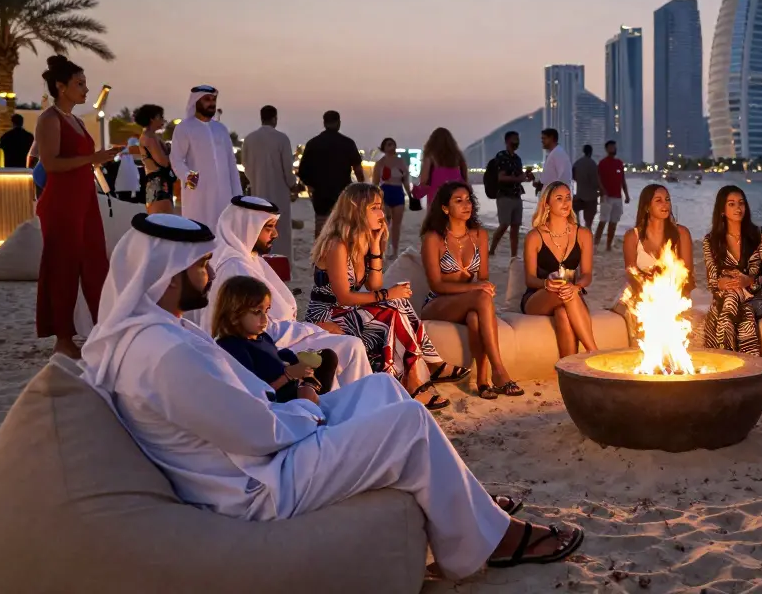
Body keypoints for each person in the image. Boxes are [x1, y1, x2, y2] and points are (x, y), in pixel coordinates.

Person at [80, 213, 584, 579]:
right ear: (169, 274)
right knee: (407, 425)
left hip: (259, 448)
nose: (210, 276)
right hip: (257, 485)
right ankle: (494, 540)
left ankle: (468, 504)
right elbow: (259, 434)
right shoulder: (164, 354)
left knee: (384, 387)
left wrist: (298, 401)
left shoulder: (152, 333)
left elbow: (243, 405)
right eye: (201, 266)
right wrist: (307, 403)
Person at [195, 195, 374, 386]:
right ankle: (354, 410)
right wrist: (315, 328)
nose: (275, 234)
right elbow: (258, 326)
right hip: (257, 348)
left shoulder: (249, 259)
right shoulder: (235, 267)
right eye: (268, 227)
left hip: (277, 338)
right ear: (246, 228)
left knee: (348, 342)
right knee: (351, 347)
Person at [305, 183, 451, 410]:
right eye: (374, 207)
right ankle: (420, 373)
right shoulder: (337, 245)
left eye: (380, 207)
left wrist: (375, 245)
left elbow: (374, 284)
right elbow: (344, 297)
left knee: (397, 302)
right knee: (391, 309)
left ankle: (413, 376)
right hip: (326, 313)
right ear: (357, 210)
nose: (382, 214)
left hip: (347, 312)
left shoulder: (360, 244)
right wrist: (387, 294)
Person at [34, 55, 124, 357]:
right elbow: (51, 164)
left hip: (83, 199)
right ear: (61, 87)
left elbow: (80, 160)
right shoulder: (49, 119)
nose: (86, 89)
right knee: (63, 267)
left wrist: (100, 157)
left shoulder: (75, 120)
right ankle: (62, 338)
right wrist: (93, 158)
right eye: (80, 84)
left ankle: (103, 327)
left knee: (96, 262)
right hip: (61, 202)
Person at [420, 181, 523, 398]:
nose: (466, 205)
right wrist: (477, 287)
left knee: (477, 315)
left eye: (468, 200)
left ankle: (483, 381)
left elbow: (483, 277)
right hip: (438, 303)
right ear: (445, 208)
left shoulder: (479, 236)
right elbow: (436, 285)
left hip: (471, 301)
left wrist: (484, 286)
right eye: (459, 201)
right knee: (481, 297)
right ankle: (499, 371)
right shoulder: (433, 238)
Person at [213, 274, 339, 402]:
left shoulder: (262, 337)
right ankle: (311, 400)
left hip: (292, 385)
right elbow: (256, 394)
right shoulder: (233, 347)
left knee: (327, 357)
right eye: (257, 312)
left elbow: (274, 356)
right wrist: (289, 375)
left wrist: (296, 361)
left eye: (266, 311)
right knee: (308, 391)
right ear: (234, 316)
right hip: (278, 402)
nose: (264, 319)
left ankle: (311, 392)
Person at [522, 181, 598, 356]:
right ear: (547, 204)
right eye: (559, 198)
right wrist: (546, 284)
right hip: (538, 298)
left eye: (568, 198)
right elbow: (530, 279)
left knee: (563, 313)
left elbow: (586, 275)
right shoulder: (535, 236)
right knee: (563, 292)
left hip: (571, 294)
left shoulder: (583, 234)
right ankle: (593, 352)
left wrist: (577, 287)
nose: (566, 202)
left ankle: (569, 369)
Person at [616, 183, 696, 341]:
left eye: (667, 199)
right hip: (640, 290)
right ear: (647, 207)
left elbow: (687, 273)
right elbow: (631, 274)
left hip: (674, 290)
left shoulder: (681, 233)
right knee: (643, 311)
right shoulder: (632, 237)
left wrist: (667, 286)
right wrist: (650, 286)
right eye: (658, 200)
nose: (665, 204)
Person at [702, 186, 762, 356]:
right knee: (741, 308)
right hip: (728, 297)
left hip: (758, 298)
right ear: (722, 209)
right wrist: (720, 283)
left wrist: (749, 281)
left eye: (741, 203)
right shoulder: (711, 241)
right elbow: (712, 281)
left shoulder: (760, 234)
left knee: (732, 303)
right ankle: (750, 367)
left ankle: (724, 359)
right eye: (732, 204)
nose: (738, 208)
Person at [169, 85, 242, 236]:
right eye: (207, 99)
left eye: (214, 99)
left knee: (224, 236)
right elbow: (176, 158)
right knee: (199, 236)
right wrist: (188, 176)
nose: (212, 103)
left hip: (224, 196)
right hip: (199, 195)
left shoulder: (220, 129)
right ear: (196, 102)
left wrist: (238, 196)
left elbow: (231, 164)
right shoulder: (185, 128)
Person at [242, 105, 300, 260]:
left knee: (260, 231)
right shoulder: (282, 139)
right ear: (275, 118)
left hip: (258, 194)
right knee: (280, 233)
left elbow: (246, 166)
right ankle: (281, 265)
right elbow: (287, 169)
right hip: (279, 195)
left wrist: (256, 179)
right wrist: (292, 186)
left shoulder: (249, 139)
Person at [297, 110, 365, 239]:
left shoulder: (313, 143)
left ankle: (320, 255)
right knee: (342, 227)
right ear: (339, 123)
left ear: (324, 123)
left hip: (320, 193)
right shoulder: (347, 143)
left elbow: (303, 171)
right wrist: (361, 188)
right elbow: (358, 169)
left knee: (322, 227)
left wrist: (311, 186)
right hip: (343, 191)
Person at [488, 130, 534, 257]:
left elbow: (519, 177)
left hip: (516, 195)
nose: (517, 142)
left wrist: (527, 176)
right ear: (507, 141)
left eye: (518, 139)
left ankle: (514, 256)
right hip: (504, 195)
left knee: (515, 227)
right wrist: (518, 179)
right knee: (504, 224)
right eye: (514, 139)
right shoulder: (501, 156)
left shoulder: (517, 159)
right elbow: (501, 177)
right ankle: (491, 250)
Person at [371, 137, 409, 259]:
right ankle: (382, 249)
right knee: (384, 223)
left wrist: (410, 194)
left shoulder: (401, 162)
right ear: (384, 148)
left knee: (397, 225)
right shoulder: (380, 163)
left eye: (393, 144)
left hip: (398, 192)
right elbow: (375, 183)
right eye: (388, 144)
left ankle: (395, 250)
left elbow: (406, 180)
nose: (391, 146)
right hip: (385, 192)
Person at [135, 104, 176, 214]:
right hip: (158, 183)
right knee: (165, 221)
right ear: (152, 118)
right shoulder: (149, 138)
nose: (163, 119)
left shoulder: (152, 136)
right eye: (160, 116)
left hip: (158, 183)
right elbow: (163, 161)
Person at [412, 127, 468, 207]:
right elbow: (464, 177)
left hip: (436, 197)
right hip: (456, 197)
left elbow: (424, 180)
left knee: (437, 218)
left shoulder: (431, 157)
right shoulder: (458, 156)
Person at [596, 140, 630, 251]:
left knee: (614, 222)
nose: (613, 149)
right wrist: (602, 191)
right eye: (611, 147)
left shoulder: (619, 163)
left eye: (614, 147)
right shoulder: (602, 163)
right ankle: (595, 244)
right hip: (606, 197)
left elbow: (622, 180)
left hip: (618, 197)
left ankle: (608, 245)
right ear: (607, 149)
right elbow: (598, 179)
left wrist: (626, 195)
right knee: (603, 221)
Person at [572, 144, 601, 230]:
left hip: (579, 195)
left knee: (574, 211)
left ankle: (578, 229)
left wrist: (579, 181)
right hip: (591, 197)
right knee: (588, 223)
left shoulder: (578, 162)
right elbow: (596, 182)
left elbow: (573, 175)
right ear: (591, 152)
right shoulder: (592, 164)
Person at [538, 128, 571, 193]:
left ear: (551, 138)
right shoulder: (553, 153)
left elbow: (564, 177)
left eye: (544, 138)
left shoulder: (558, 153)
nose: (542, 141)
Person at [112, 137, 143, 203]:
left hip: (126, 183)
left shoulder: (125, 154)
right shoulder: (126, 154)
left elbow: (115, 159)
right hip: (127, 182)